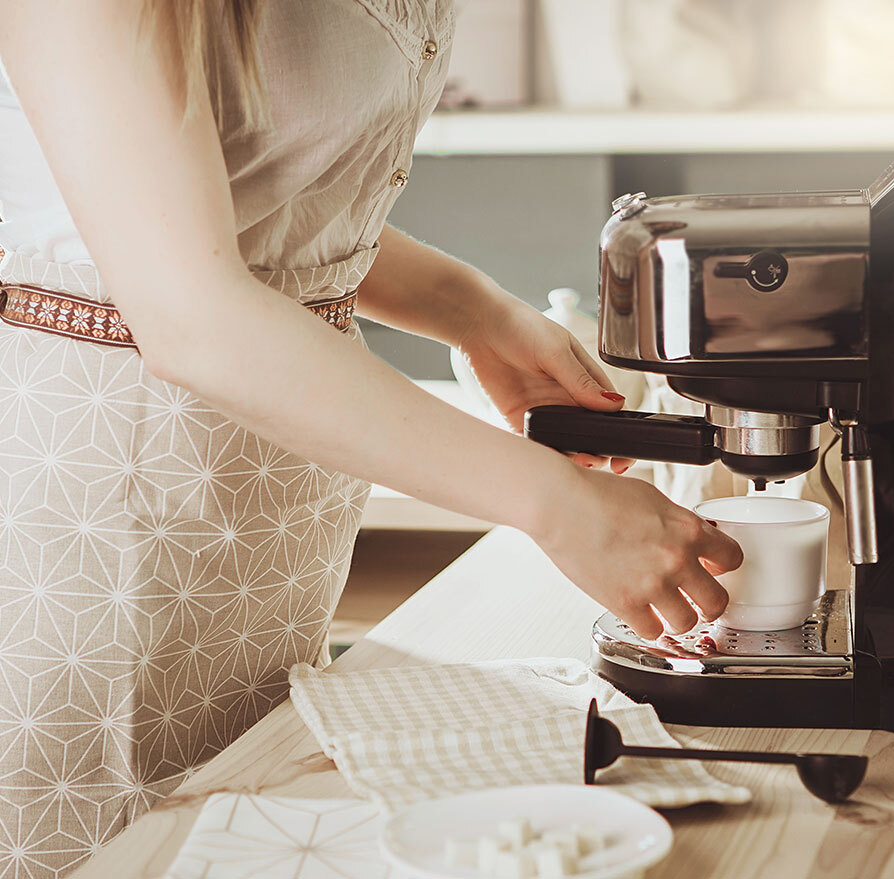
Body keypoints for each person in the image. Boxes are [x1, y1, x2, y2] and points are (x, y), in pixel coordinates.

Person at [0, 1, 741, 875]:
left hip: (267, 510)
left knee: (236, 824)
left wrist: (471, 311)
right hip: (90, 518)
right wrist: (559, 506)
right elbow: (189, 316)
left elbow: (253, 178)